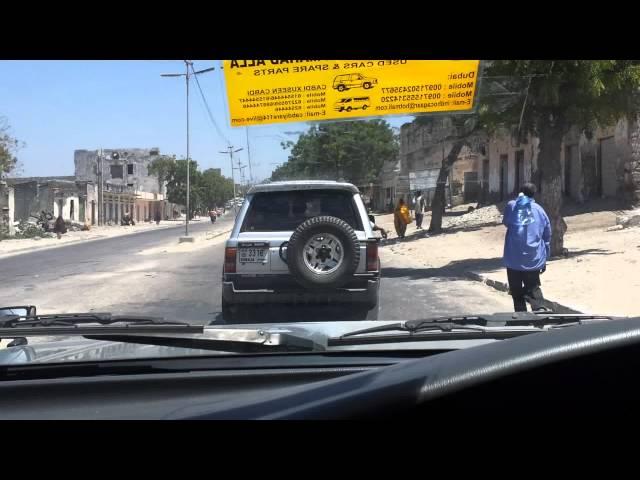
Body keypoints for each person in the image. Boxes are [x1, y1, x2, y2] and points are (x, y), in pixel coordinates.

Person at [502, 183, 552, 312]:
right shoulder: (539, 210)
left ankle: (521, 317)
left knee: (516, 291)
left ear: (520, 192)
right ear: (534, 194)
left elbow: (507, 222)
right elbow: (547, 234)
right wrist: (545, 256)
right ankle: (540, 309)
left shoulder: (511, 206)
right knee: (533, 287)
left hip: (513, 258)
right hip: (533, 257)